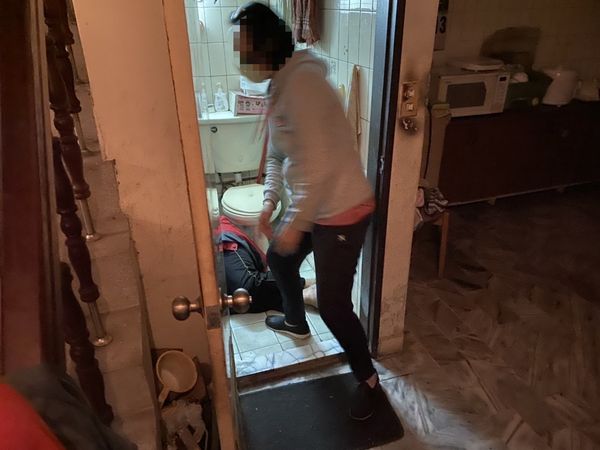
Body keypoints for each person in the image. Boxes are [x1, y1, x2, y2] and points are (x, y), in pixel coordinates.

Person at [230, 2, 383, 420]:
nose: (240, 58)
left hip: (343, 209)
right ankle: (296, 320)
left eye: (243, 49)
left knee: (334, 305)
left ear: (265, 46)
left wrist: (294, 225)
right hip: (316, 204)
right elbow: (278, 154)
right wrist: (269, 201)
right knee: (280, 259)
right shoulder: (279, 87)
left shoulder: (304, 86)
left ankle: (369, 381)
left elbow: (318, 168)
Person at [217, 216, 317, 313]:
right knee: (234, 301)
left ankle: (305, 285)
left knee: (246, 287)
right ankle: (304, 294)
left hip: (223, 242)